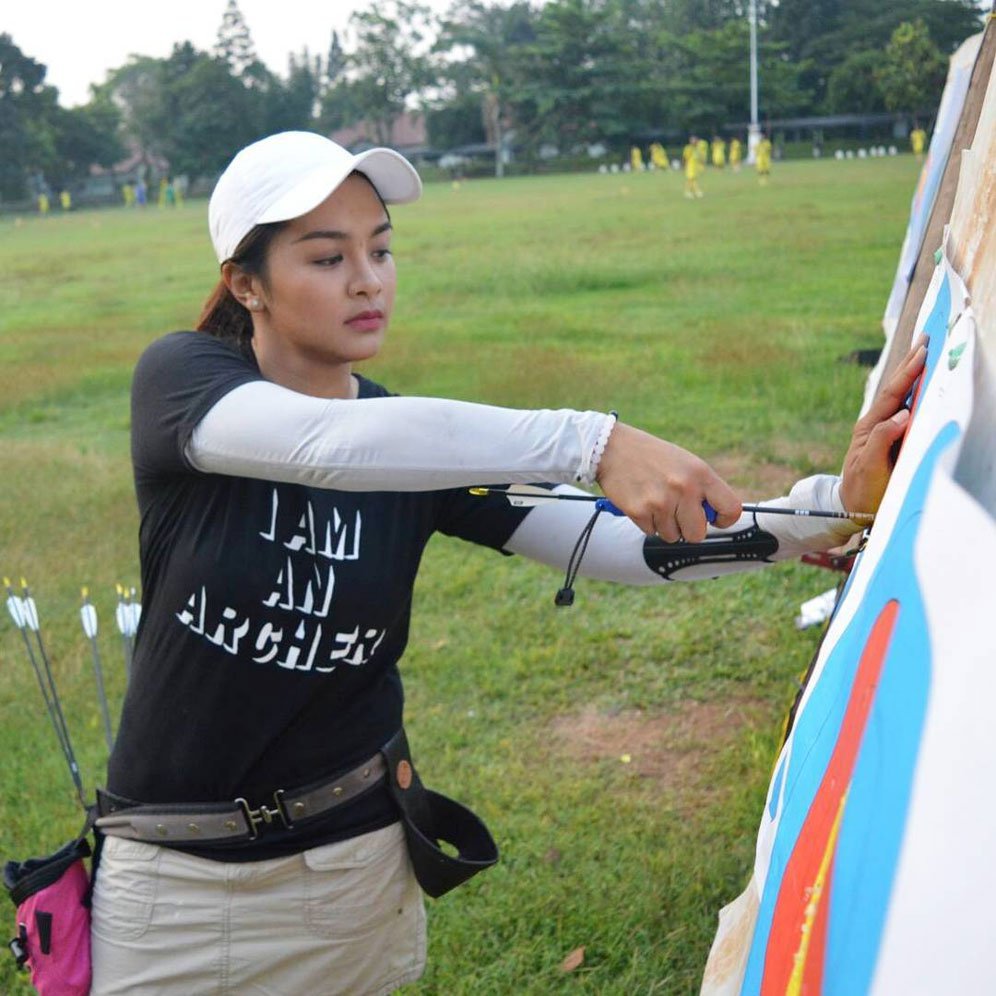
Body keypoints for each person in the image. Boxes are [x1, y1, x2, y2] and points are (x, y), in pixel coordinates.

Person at [88, 130, 925, 995]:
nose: (369, 278)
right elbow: (322, 444)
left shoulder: (416, 445)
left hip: (348, 875)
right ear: (245, 283)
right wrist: (590, 439)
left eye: (380, 249)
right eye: (328, 257)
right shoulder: (184, 384)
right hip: (173, 887)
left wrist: (824, 511)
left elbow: (615, 542)